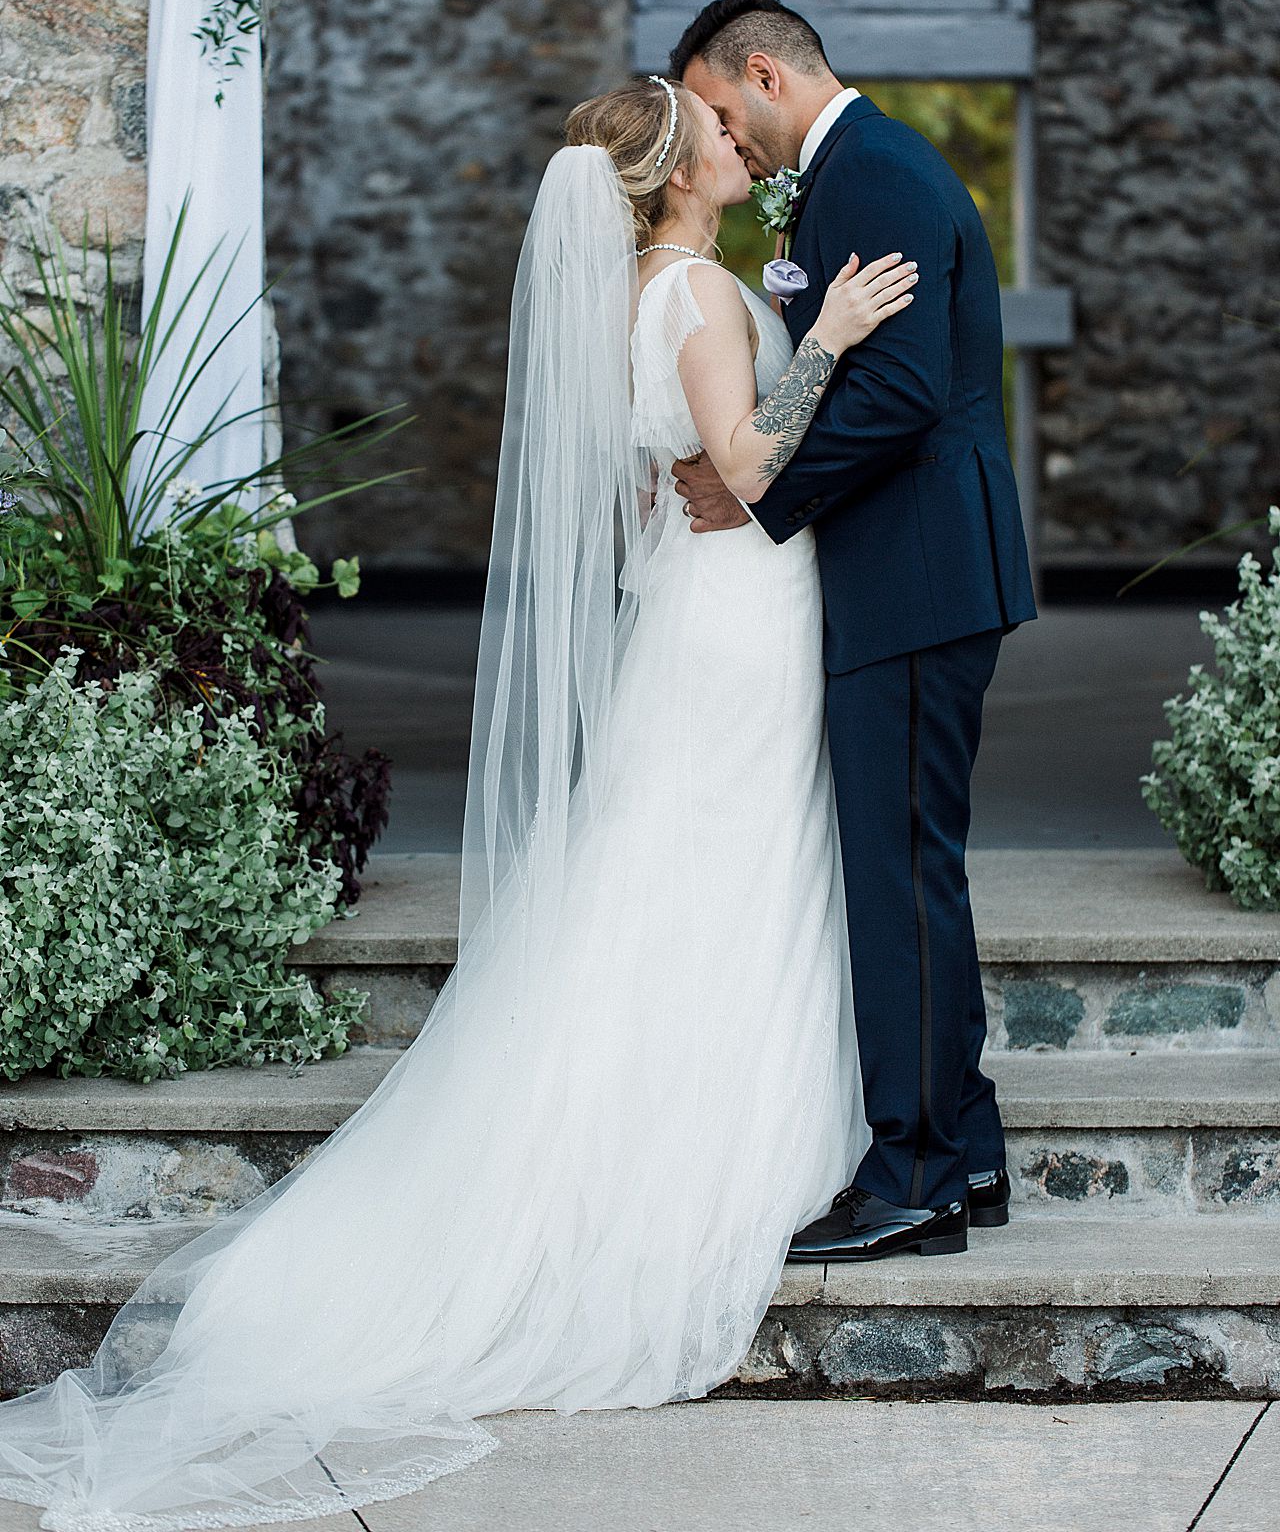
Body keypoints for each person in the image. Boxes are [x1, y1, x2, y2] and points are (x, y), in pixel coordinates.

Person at [0, 74, 918, 1530]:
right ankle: (680, 1163)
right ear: (677, 176)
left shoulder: (635, 294)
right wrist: (841, 341)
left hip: (706, 611)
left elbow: (648, 495)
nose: (741, 147)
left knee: (674, 876)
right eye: (719, 138)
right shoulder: (688, 298)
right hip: (740, 622)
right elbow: (743, 463)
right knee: (716, 874)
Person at [672, 0, 1038, 1264]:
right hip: (915, 569)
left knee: (897, 877)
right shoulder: (857, 172)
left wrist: (756, 485)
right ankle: (968, 1149)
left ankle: (915, 1173)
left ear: (763, 74)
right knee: (909, 866)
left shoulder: (870, 174)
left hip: (916, 573)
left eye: (720, 111)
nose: (722, 139)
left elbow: (899, 396)